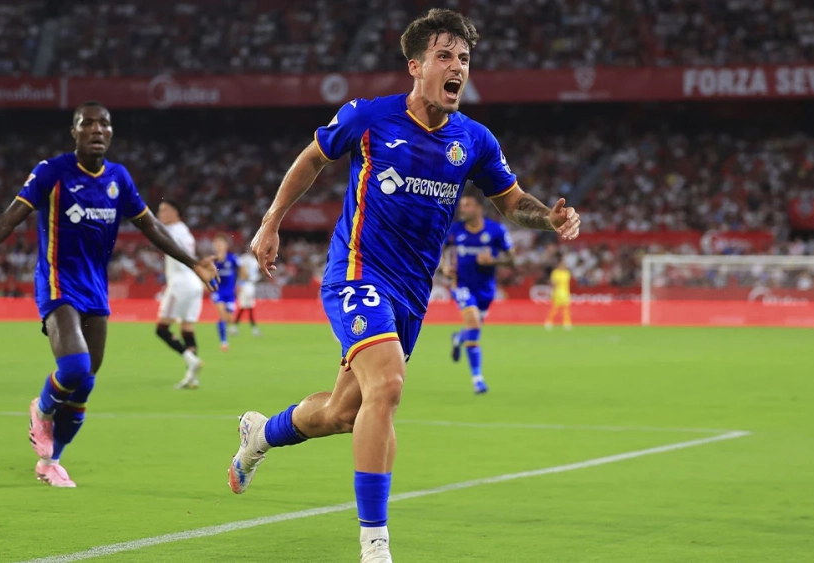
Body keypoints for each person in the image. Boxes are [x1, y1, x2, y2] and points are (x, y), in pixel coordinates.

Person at [227, 9, 581, 563]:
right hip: (356, 275)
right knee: (388, 385)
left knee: (345, 413)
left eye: (463, 58)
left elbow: (513, 202)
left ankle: (261, 434)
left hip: (411, 295)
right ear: (415, 66)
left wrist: (550, 219)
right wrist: (271, 221)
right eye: (444, 56)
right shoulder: (369, 117)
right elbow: (313, 158)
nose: (457, 66)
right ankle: (375, 544)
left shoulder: (475, 140)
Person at [0, 102, 217, 488]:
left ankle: (51, 461)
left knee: (87, 380)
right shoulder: (52, 172)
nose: (96, 129)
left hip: (95, 289)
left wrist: (193, 262)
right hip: (57, 282)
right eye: (86, 123)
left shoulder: (118, 178)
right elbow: (8, 219)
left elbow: (151, 226)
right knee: (73, 368)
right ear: (74, 132)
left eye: (104, 123)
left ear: (111, 132)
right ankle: (41, 409)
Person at [443, 191, 513, 394]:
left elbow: (511, 259)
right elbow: (443, 249)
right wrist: (446, 266)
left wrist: (494, 261)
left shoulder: (495, 230)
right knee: (473, 323)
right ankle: (477, 378)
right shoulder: (455, 230)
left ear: (478, 208)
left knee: (472, 328)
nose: (462, 209)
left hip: (486, 289)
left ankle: (458, 338)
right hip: (462, 284)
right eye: (461, 205)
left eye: (467, 205)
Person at [154, 199, 206, 389]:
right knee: (187, 330)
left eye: (164, 210)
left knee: (162, 329)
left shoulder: (172, 231)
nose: (160, 214)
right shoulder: (185, 231)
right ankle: (193, 377)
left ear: (176, 212)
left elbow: (153, 232)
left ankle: (190, 360)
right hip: (194, 284)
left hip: (179, 285)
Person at [210, 234, 238, 352]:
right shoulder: (212, 261)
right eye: (216, 244)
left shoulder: (233, 259)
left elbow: (242, 271)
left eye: (220, 244)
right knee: (222, 314)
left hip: (231, 293)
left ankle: (225, 331)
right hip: (218, 292)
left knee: (230, 318)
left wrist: (240, 283)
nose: (218, 246)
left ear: (226, 246)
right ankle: (224, 342)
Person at [233, 249, 262, 336]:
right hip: (247, 285)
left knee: (244, 307)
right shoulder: (252, 260)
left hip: (246, 284)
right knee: (249, 307)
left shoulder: (243, 258)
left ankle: (234, 327)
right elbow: (243, 273)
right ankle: (254, 329)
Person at [545, 259, 573, 330]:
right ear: (559, 265)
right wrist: (552, 292)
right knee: (555, 307)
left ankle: (566, 323)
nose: (564, 266)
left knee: (566, 308)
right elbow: (553, 283)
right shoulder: (555, 272)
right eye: (563, 264)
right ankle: (549, 321)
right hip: (557, 292)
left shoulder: (567, 273)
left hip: (566, 292)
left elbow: (567, 283)